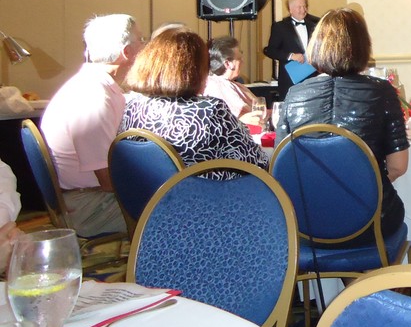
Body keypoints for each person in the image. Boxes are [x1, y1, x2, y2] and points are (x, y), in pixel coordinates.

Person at [276, 8, 409, 245]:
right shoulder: (381, 91)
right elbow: (398, 166)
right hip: (371, 224)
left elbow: (282, 164)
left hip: (306, 227)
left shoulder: (294, 95)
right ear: (363, 46)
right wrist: (357, 189)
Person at [41, 14, 142, 237]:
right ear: (127, 52)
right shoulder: (94, 97)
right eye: (141, 41)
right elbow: (107, 181)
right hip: (90, 208)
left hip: (86, 198)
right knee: (180, 207)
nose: (145, 48)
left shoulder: (92, 85)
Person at [119, 30, 268, 179]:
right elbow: (257, 162)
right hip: (204, 192)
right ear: (196, 71)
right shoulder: (210, 110)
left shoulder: (132, 108)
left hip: (147, 191)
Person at [264, 0, 320, 100]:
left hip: (312, 78)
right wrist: (290, 56)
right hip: (290, 80)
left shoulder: (314, 26)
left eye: (305, 6)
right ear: (290, 9)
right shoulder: (280, 27)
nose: (303, 10)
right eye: (299, 7)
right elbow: (271, 50)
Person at [204, 36, 260, 121]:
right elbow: (246, 117)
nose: (243, 62)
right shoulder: (218, 85)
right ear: (228, 64)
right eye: (239, 59)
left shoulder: (231, 83)